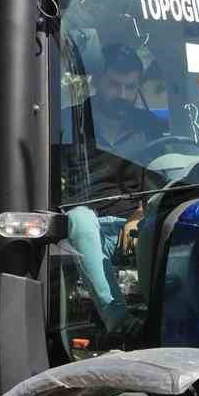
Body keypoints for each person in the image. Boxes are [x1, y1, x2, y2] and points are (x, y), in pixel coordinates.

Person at [64, 44, 165, 332]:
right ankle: (118, 320)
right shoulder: (67, 121)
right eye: (114, 86)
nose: (122, 95)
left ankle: (158, 321)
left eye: (130, 88)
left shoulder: (149, 127)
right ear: (97, 82)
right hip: (80, 231)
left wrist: (139, 216)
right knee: (80, 218)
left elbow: (158, 183)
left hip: (131, 228)